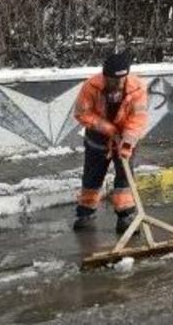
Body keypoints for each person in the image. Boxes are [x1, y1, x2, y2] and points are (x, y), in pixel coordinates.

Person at [72, 52, 149, 233]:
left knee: (124, 177)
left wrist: (128, 143)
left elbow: (138, 118)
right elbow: (82, 113)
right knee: (92, 176)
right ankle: (85, 214)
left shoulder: (137, 88)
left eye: (121, 80)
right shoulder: (91, 86)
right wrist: (109, 129)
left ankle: (125, 216)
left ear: (126, 76)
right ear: (105, 76)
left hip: (126, 137)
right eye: (112, 80)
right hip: (98, 137)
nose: (117, 84)